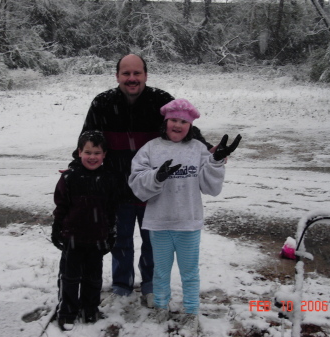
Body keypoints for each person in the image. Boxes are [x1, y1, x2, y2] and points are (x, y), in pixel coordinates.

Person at [69, 54, 213, 308]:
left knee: (152, 242)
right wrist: (75, 167)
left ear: (146, 75)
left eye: (137, 73)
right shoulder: (103, 103)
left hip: (154, 188)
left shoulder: (161, 101)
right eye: (126, 73)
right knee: (120, 240)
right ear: (117, 76)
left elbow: (186, 127)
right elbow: (87, 140)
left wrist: (209, 150)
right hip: (116, 187)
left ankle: (150, 286)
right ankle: (122, 285)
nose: (132, 78)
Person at [128, 98, 241, 335]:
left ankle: (191, 312)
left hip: (188, 223)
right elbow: (137, 183)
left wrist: (216, 161)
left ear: (190, 126)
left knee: (190, 272)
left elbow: (211, 187)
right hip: (159, 223)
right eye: (173, 120)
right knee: (160, 270)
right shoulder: (150, 148)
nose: (178, 125)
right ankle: (160, 305)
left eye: (183, 121)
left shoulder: (198, 149)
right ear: (165, 122)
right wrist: (157, 177)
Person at [51, 131, 119, 331]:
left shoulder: (108, 178)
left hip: (97, 238)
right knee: (69, 277)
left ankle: (90, 308)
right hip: (73, 237)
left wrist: (111, 233)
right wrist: (57, 228)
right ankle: (67, 311)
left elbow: (111, 209)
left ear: (104, 154)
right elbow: (61, 205)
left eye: (97, 152)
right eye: (88, 152)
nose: (92, 157)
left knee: (93, 277)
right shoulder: (70, 177)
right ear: (79, 152)